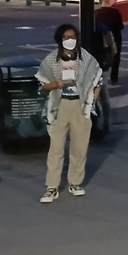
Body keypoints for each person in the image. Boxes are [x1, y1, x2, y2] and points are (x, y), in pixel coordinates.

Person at [35, 24, 103, 203]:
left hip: (80, 106)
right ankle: (52, 187)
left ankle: (75, 182)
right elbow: (41, 85)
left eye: (72, 37)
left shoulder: (85, 58)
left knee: (79, 147)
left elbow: (98, 80)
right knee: (56, 148)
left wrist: (92, 101)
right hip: (60, 105)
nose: (70, 40)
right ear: (59, 39)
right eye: (66, 37)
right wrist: (57, 84)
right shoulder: (51, 60)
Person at [94, 0, 125, 84]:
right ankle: (114, 78)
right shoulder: (115, 12)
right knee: (116, 56)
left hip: (99, 39)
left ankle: (98, 76)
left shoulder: (97, 12)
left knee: (99, 57)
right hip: (114, 37)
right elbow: (120, 26)